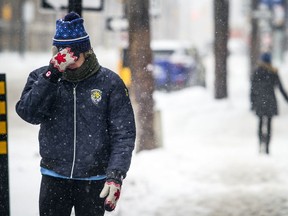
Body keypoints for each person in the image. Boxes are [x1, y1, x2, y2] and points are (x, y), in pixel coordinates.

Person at [15, 12, 136, 216]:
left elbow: (123, 134)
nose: (68, 61)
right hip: (54, 176)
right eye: (62, 55)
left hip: (93, 180)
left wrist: (115, 175)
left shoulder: (109, 83)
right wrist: (52, 75)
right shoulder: (42, 77)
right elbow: (29, 113)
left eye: (73, 55)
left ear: (85, 52)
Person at [250, 52, 288, 154]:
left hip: (259, 101)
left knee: (260, 123)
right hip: (270, 101)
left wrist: (252, 103)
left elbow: (252, 89)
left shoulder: (257, 72)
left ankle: (260, 144)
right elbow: (280, 88)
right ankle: (267, 147)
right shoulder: (273, 72)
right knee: (269, 124)